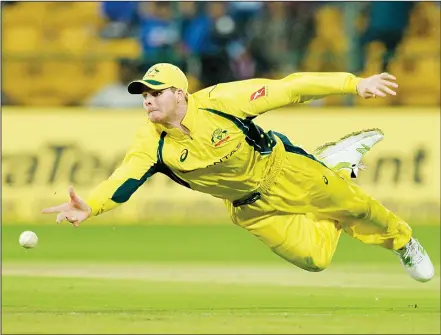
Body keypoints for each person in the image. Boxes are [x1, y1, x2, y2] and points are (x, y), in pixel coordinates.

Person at [42, 63, 434, 283]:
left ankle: (403, 242)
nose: (148, 101)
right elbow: (122, 182)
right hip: (249, 208)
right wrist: (89, 206)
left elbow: (291, 88)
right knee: (315, 260)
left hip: (286, 171)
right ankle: (335, 164)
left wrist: (354, 83)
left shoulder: (219, 101)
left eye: (156, 93)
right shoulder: (150, 143)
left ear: (180, 94)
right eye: (144, 95)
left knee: (359, 210)